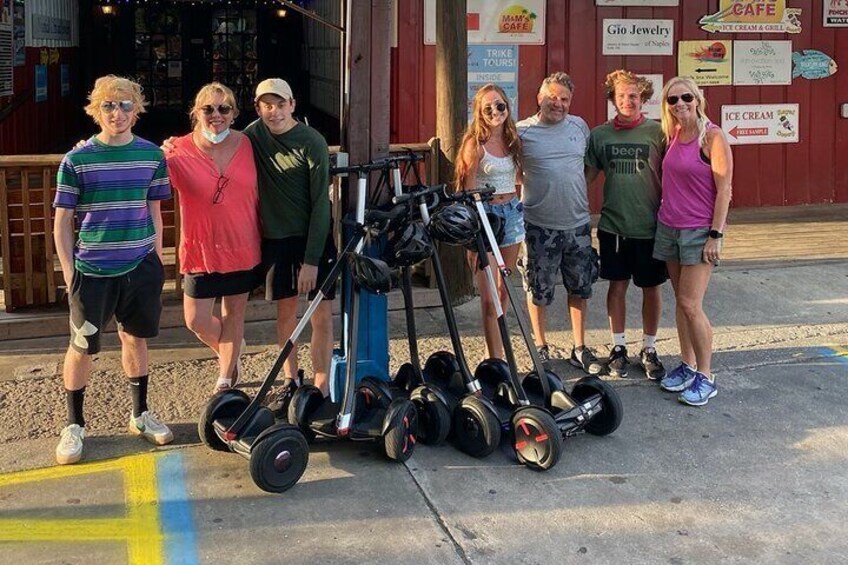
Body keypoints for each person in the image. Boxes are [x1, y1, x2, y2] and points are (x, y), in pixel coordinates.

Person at [53, 75, 173, 465]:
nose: (117, 112)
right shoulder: (77, 160)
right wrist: (71, 273)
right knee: (82, 346)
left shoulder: (152, 156)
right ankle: (74, 425)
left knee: (136, 340)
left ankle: (140, 414)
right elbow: (62, 220)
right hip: (93, 269)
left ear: (136, 110)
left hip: (140, 266)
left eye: (124, 105)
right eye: (108, 105)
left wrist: (156, 258)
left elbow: (156, 208)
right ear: (95, 110)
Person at [164, 82, 262, 394]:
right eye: (208, 108)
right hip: (200, 247)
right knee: (196, 319)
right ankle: (229, 350)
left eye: (224, 108)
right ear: (195, 112)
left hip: (242, 243)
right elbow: (141, 174)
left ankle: (226, 378)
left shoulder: (248, 143)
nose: (216, 115)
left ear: (234, 114)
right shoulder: (176, 149)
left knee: (234, 314)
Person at [247, 78, 335, 400]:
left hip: (313, 234)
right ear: (258, 108)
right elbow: (214, 141)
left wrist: (311, 260)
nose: (275, 112)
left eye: (280, 104)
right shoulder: (252, 136)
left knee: (321, 312)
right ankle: (290, 379)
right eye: (267, 105)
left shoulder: (312, 141)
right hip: (277, 238)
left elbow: (320, 205)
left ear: (292, 105)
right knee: (286, 313)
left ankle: (321, 384)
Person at [653, 76, 733, 406]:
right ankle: (686, 366)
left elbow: (724, 191)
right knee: (681, 303)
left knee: (691, 305)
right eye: (673, 100)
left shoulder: (712, 137)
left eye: (686, 97)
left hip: (700, 232)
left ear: (698, 99)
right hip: (669, 227)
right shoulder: (672, 134)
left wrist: (716, 234)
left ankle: (706, 375)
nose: (680, 104)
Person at [516, 72, 602, 374]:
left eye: (564, 99)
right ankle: (540, 346)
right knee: (538, 290)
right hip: (538, 226)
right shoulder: (521, 132)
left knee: (580, 288)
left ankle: (579, 348)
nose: (558, 104)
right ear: (539, 98)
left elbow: (589, 168)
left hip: (577, 224)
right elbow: (513, 173)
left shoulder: (580, 127)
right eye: (552, 97)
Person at [585, 70, 668, 380]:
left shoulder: (658, 133)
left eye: (633, 95)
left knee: (651, 289)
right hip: (613, 226)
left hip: (649, 226)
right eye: (621, 96)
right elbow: (585, 178)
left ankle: (649, 348)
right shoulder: (599, 135)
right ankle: (618, 347)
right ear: (612, 99)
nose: (627, 101)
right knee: (617, 287)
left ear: (642, 98)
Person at [455, 83, 523, 360]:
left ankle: (496, 349)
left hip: (512, 213)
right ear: (479, 113)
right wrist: (472, 238)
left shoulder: (513, 140)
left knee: (504, 290)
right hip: (486, 216)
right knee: (488, 296)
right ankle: (495, 359)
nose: (495, 111)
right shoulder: (475, 144)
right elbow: (466, 192)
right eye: (488, 108)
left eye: (500, 106)